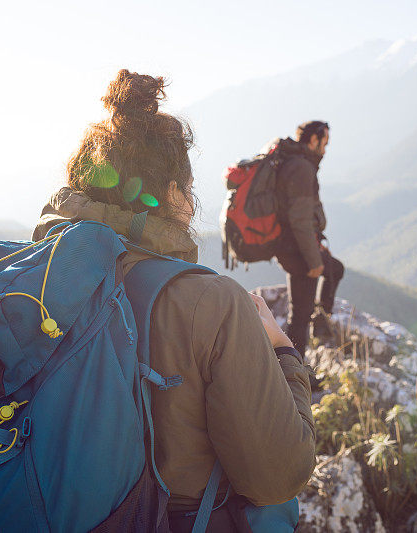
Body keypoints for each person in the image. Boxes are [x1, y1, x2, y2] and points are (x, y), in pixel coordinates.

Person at [32, 70, 315, 531]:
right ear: (169, 194)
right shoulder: (212, 302)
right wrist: (283, 351)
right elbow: (280, 476)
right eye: (186, 185)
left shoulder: (35, 279)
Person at [275, 121, 345, 356]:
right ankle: (295, 370)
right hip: (298, 251)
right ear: (313, 141)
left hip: (294, 247)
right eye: (324, 143)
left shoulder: (295, 164)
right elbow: (301, 221)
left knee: (333, 270)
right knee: (300, 316)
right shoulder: (302, 168)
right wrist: (314, 261)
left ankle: (298, 361)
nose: (325, 150)